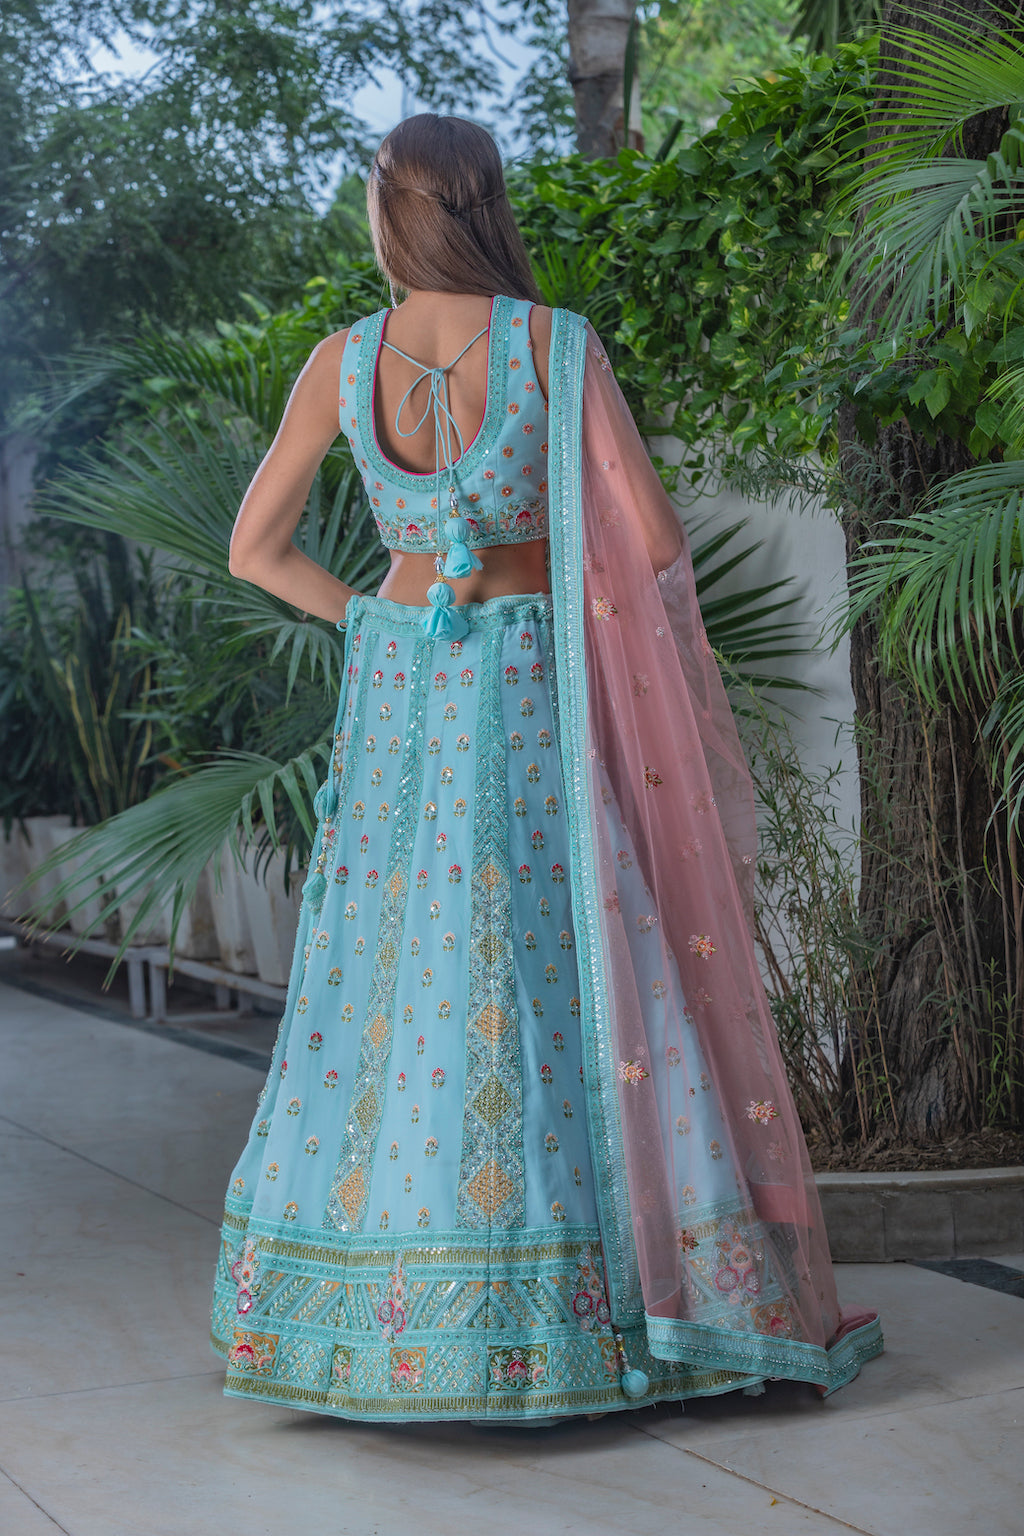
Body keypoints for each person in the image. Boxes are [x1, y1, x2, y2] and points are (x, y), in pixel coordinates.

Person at [211, 113, 882, 1424]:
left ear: (388, 212)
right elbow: (652, 539)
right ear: (489, 206)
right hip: (525, 688)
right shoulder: (554, 348)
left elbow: (255, 549)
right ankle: (631, 1296)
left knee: (399, 970)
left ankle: (377, 1316)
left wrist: (375, 615)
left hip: (405, 689)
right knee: (567, 957)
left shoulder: (342, 363)